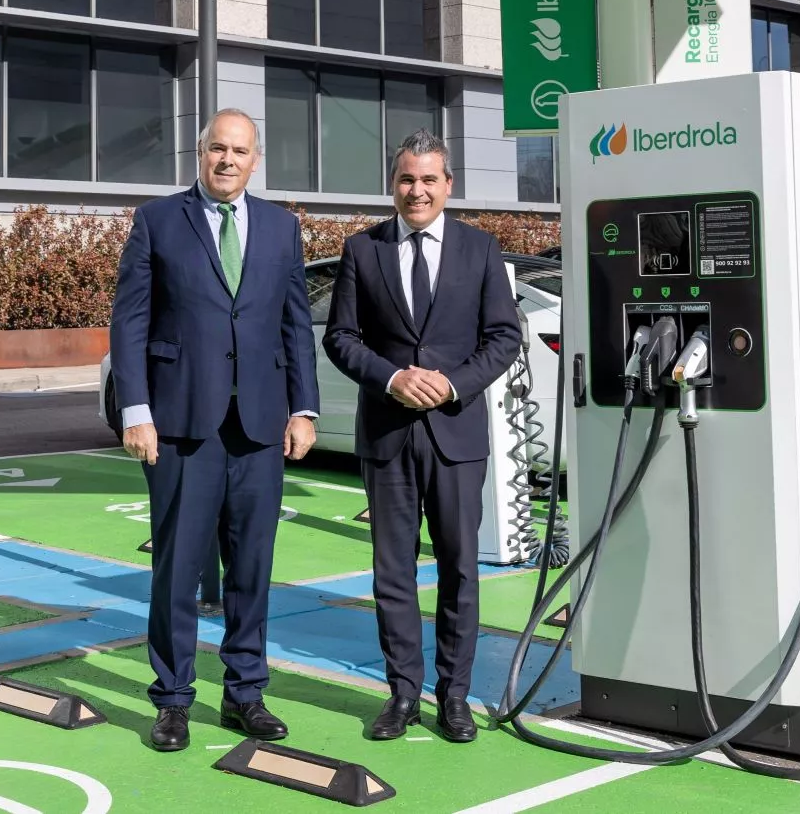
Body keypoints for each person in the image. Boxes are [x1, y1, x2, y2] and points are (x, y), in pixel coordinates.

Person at [109, 108, 320, 752]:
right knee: (176, 570)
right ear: (200, 154)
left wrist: (303, 409)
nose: (227, 161)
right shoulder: (157, 221)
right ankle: (173, 699)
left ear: (256, 161)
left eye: (240, 151)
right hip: (178, 426)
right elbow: (131, 324)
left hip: (259, 426)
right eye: (217, 149)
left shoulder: (283, 228)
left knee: (252, 565)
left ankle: (245, 693)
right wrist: (136, 410)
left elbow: (295, 326)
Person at [322, 129, 521, 743]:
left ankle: (453, 696)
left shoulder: (481, 250)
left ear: (448, 185)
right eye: (407, 179)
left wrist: (452, 385)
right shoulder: (363, 250)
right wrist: (393, 378)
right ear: (393, 184)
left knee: (460, 567)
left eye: (429, 179)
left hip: (455, 436)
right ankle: (403, 694)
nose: (417, 190)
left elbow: (504, 339)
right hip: (387, 436)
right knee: (393, 571)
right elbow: (341, 338)